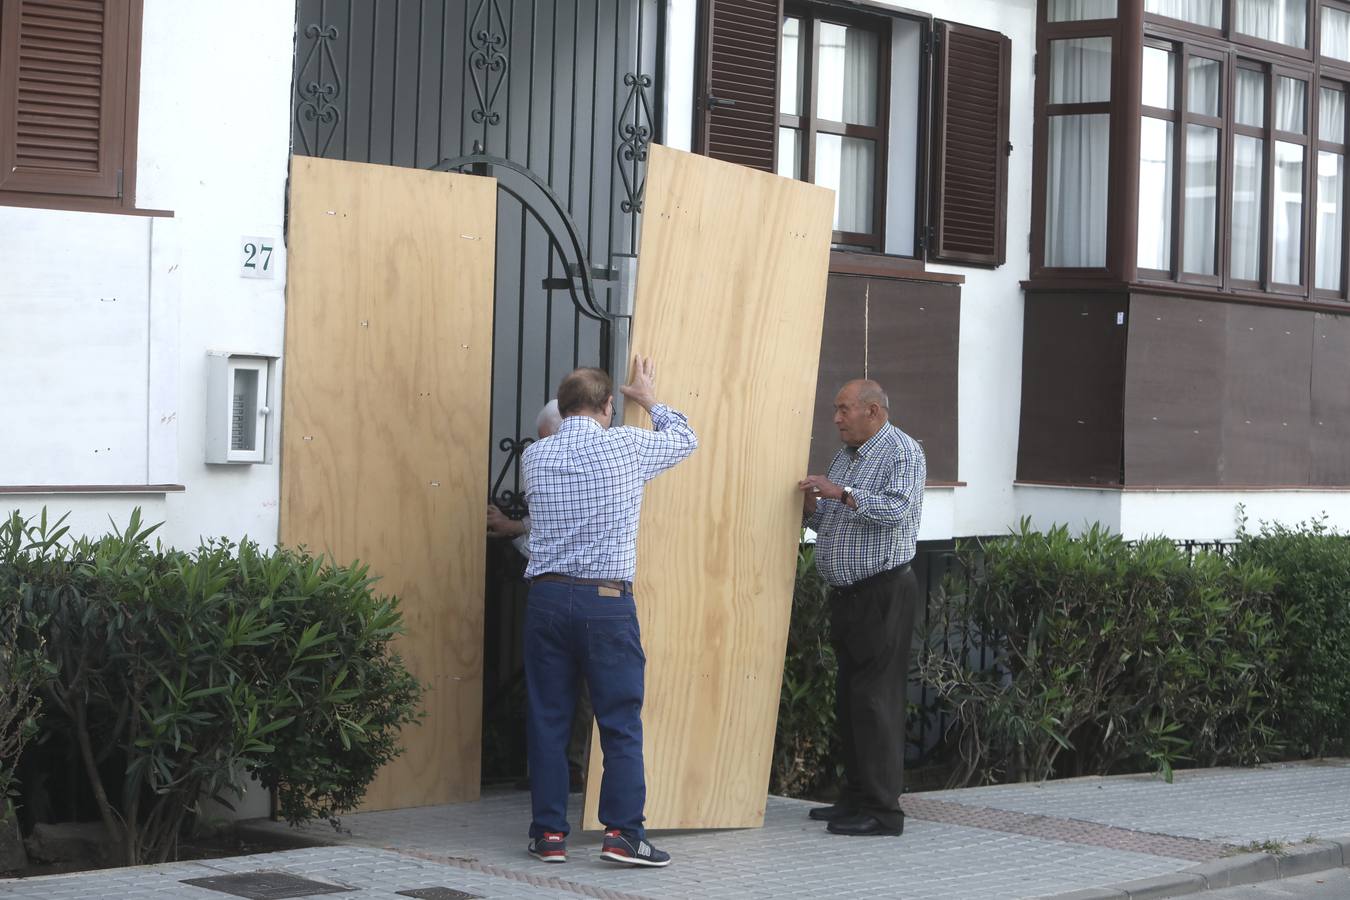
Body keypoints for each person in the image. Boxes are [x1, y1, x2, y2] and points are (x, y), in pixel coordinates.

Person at [520, 357, 696, 867]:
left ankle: (549, 836)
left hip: (547, 599)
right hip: (606, 602)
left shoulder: (537, 457)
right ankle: (622, 835)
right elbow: (686, 438)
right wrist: (649, 399)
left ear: (563, 404)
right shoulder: (626, 446)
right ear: (607, 406)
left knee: (548, 718)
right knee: (618, 721)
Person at [797, 379, 925, 838]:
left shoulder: (902, 453)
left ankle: (883, 811)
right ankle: (854, 795)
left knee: (876, 702)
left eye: (844, 409)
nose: (836, 418)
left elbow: (897, 510)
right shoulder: (845, 458)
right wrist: (814, 506)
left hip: (883, 592)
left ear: (873, 410)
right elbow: (831, 520)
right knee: (850, 700)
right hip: (849, 595)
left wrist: (842, 493)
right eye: (836, 409)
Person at [485, 399, 593, 792]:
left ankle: (572, 772)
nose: (548, 450)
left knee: (574, 693)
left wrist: (514, 527)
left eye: (551, 439)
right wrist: (516, 528)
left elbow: (553, 525)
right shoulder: (561, 464)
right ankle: (560, 775)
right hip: (573, 596)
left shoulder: (569, 466)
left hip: (567, 595)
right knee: (561, 693)